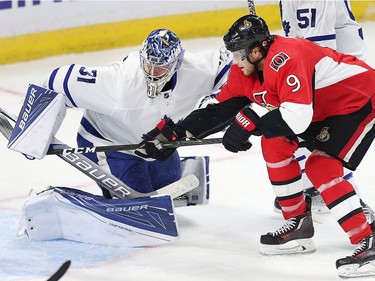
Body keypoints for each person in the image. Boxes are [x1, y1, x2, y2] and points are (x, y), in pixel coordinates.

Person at [136, 15, 375, 277]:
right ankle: (299, 224)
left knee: (321, 167)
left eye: (238, 54)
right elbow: (219, 110)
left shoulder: (287, 58)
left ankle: (368, 239)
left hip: (358, 101)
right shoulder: (245, 70)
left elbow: (297, 118)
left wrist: (251, 120)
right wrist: (174, 134)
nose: (235, 61)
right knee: (274, 145)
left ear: (257, 49)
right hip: (322, 109)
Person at [9, 28, 231, 203]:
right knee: (137, 201)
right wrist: (34, 128)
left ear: (176, 64)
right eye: (148, 65)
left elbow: (231, 66)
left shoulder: (196, 70)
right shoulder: (121, 82)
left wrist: (211, 106)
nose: (152, 73)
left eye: (160, 68)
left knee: (167, 185)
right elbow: (57, 80)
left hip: (159, 145)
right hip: (110, 144)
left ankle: (181, 168)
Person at [273, 0, 371, 216]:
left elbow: (319, 52)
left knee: (302, 128)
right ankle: (310, 187)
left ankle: (353, 202)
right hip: (332, 71)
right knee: (290, 124)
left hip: (343, 80)